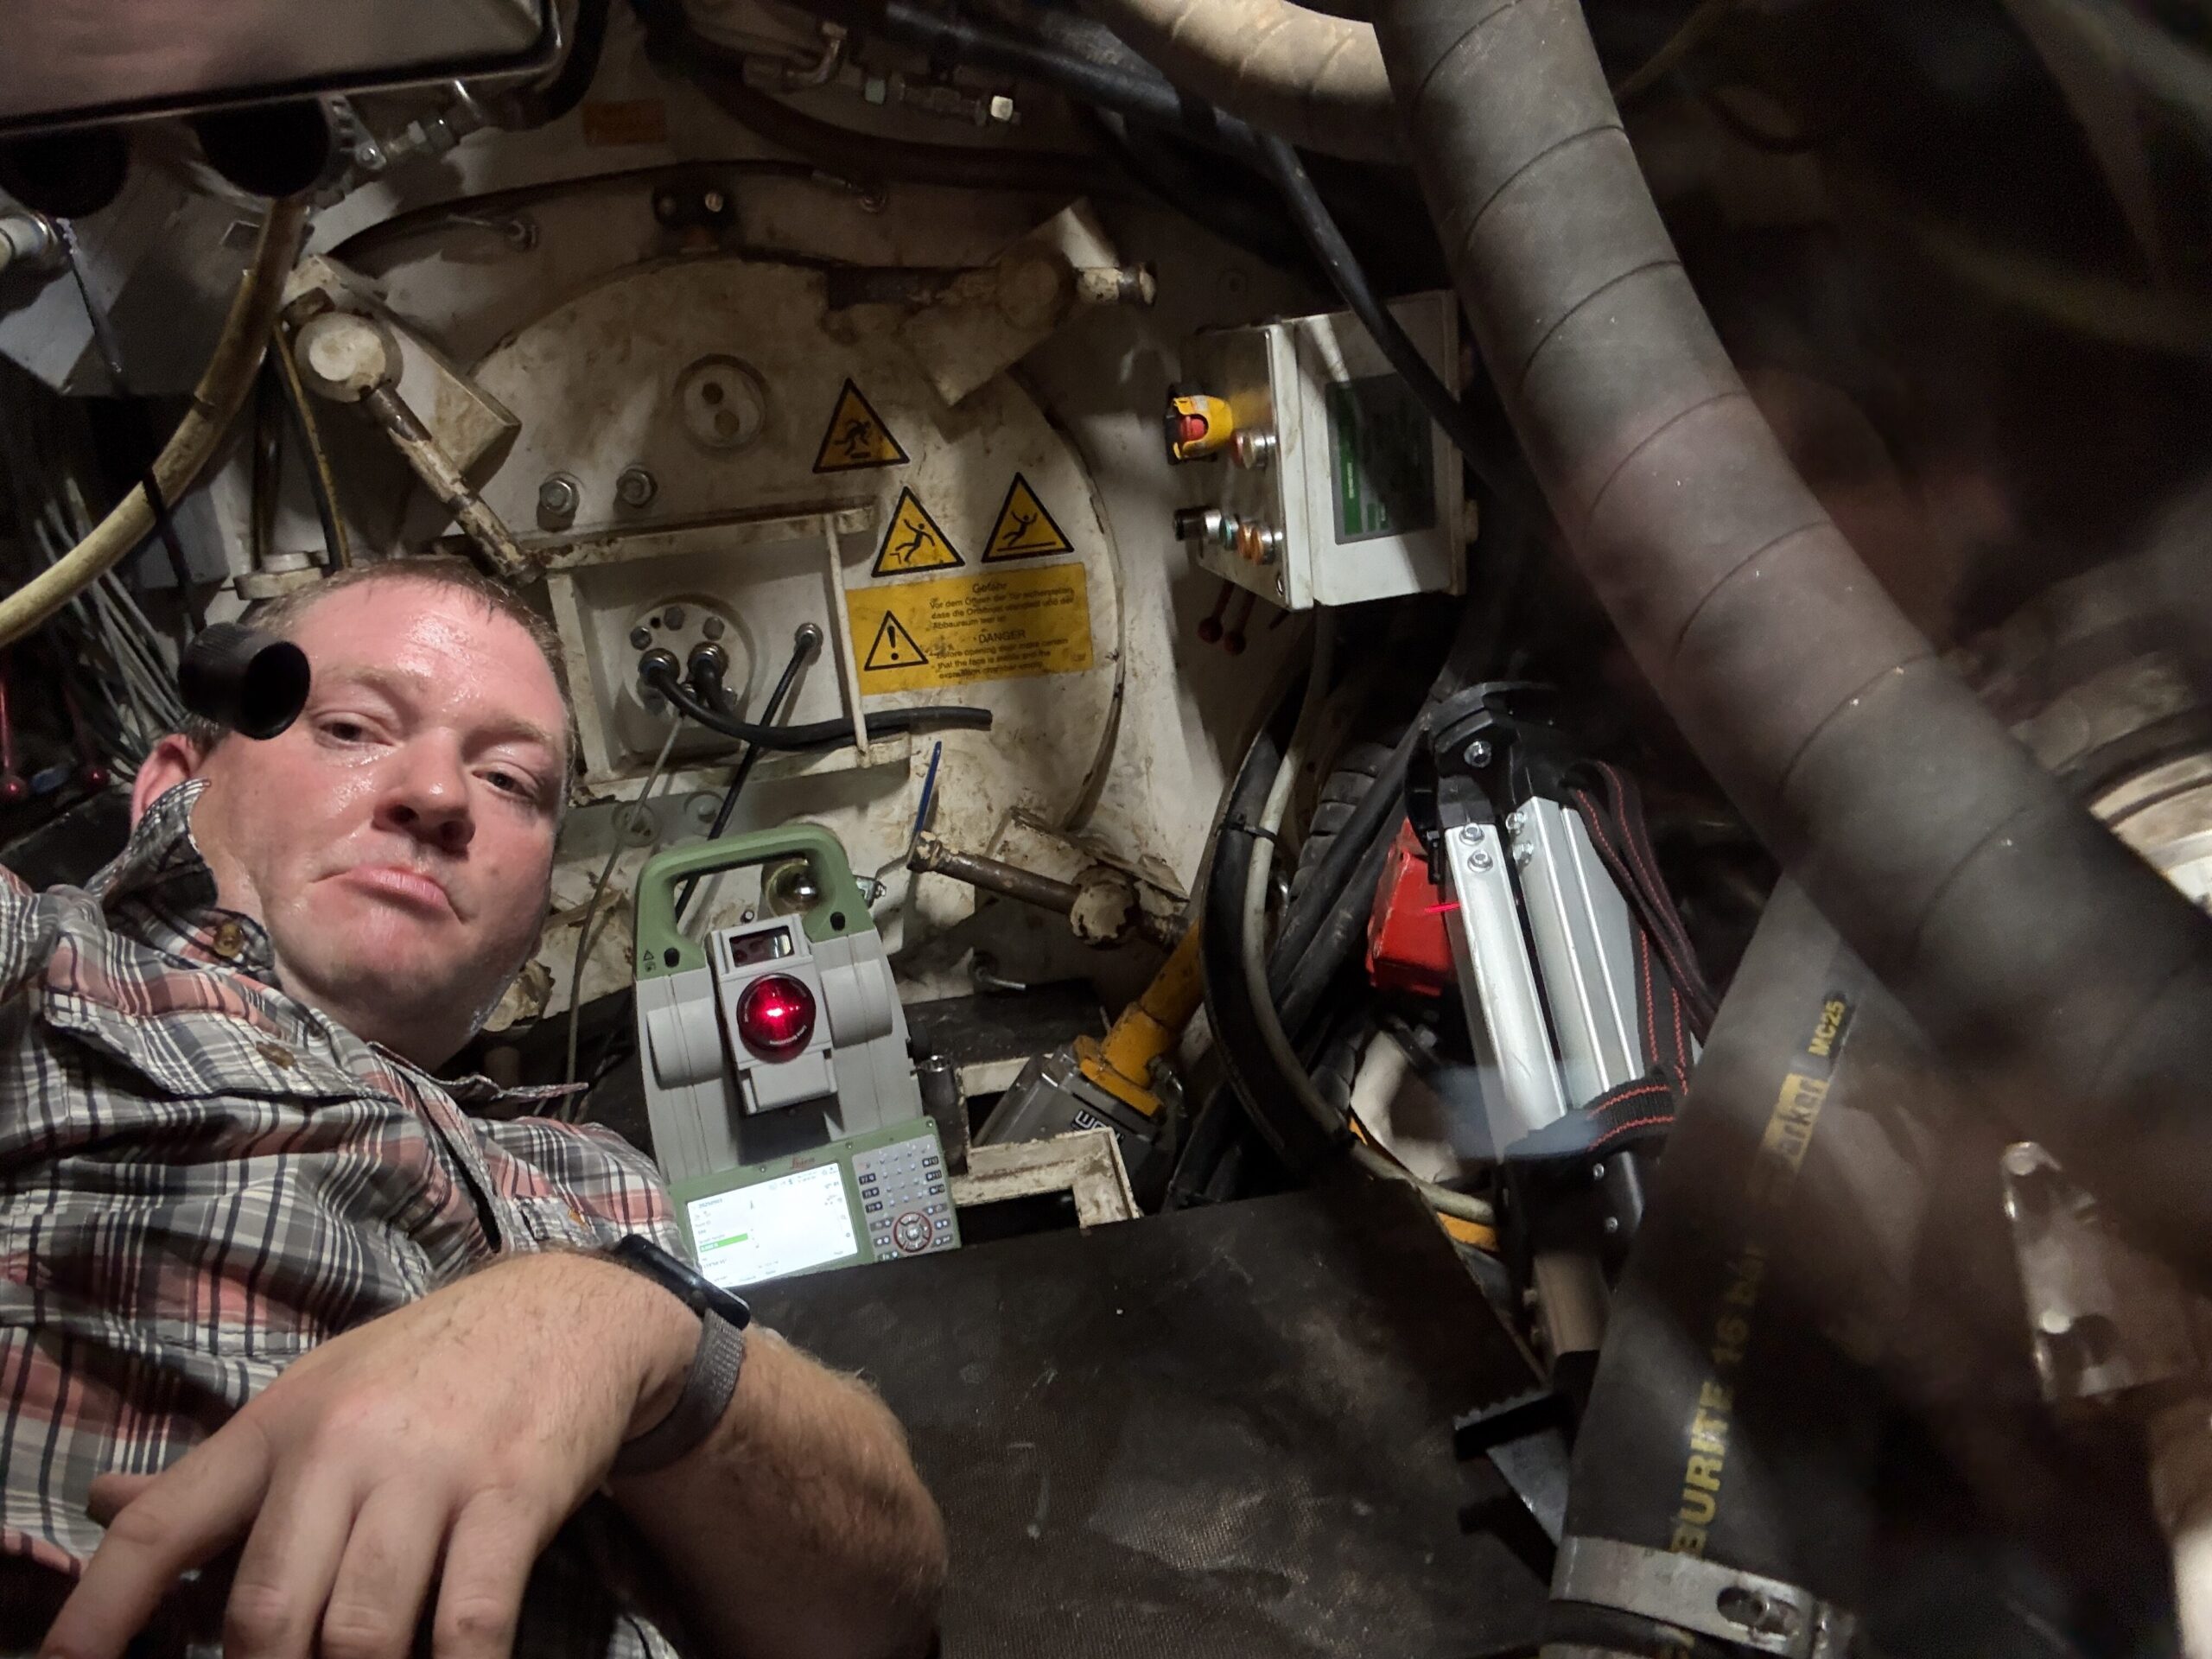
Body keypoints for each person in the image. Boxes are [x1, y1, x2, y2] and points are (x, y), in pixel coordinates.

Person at [0, 558, 947, 1659]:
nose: (442, 797)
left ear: (537, 904)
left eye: (509, 781)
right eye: (351, 729)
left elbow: (882, 1609)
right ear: (174, 785)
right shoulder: (47, 971)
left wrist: (618, 1327)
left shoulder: (592, 1180)